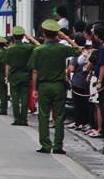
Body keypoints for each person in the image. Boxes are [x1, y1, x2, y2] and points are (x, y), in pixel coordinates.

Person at [29, 19, 81, 154]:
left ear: (44, 33)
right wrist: (67, 37)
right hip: (59, 86)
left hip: (44, 86)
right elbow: (78, 51)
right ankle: (58, 146)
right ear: (56, 33)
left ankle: (45, 144)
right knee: (59, 117)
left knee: (44, 116)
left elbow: (35, 71)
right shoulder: (62, 48)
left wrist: (34, 89)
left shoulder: (38, 50)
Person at [5, 27, 37, 126]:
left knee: (14, 98)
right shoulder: (29, 47)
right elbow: (39, 46)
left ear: (13, 37)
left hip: (14, 76)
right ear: (23, 36)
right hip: (26, 75)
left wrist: (7, 76)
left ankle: (16, 119)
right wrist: (31, 39)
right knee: (24, 98)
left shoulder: (10, 49)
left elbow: (7, 65)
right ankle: (24, 119)